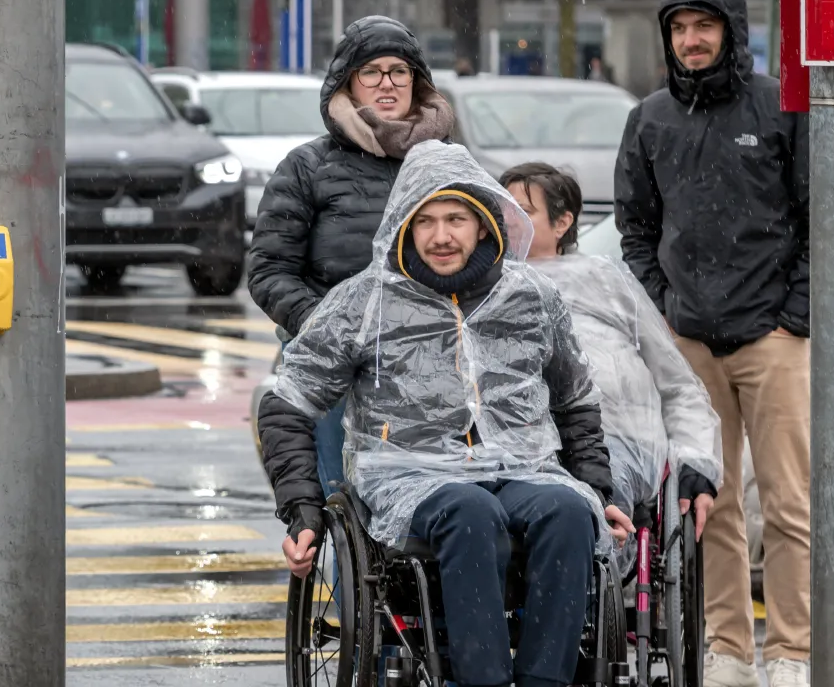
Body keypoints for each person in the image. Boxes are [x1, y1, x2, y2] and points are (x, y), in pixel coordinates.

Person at [260, 141, 633, 687]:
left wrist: (599, 489)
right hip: (409, 474)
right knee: (469, 509)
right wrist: (302, 510)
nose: (441, 236)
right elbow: (289, 403)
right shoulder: (364, 302)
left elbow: (575, 401)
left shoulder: (532, 296)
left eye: (456, 218)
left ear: (484, 224)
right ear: (405, 228)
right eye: (426, 220)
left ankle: (545, 680)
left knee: (568, 511)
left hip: (523, 467)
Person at [613, 0, 811, 684]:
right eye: (679, 28)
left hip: (773, 339)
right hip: (690, 341)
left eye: (704, 25)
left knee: (790, 503)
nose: (691, 40)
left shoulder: (781, 108)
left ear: (732, 28)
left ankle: (791, 648)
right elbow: (634, 229)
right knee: (710, 506)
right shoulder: (651, 119)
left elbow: (822, 218)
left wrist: (796, 317)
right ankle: (728, 648)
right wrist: (666, 311)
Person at [249, 15, 455, 498]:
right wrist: (332, 327)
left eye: (399, 71)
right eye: (372, 72)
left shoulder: (449, 164)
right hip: (337, 365)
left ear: (417, 82)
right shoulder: (308, 166)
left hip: (432, 361)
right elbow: (269, 270)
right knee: (348, 499)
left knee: (441, 497)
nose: (387, 83)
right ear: (348, 83)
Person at [500, 163, 721, 539]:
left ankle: (590, 578)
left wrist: (696, 461)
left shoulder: (606, 281)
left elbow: (678, 385)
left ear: (562, 222)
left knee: (596, 499)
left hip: (612, 443)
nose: (508, 220)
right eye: (501, 208)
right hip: (514, 447)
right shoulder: (483, 288)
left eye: (524, 210)